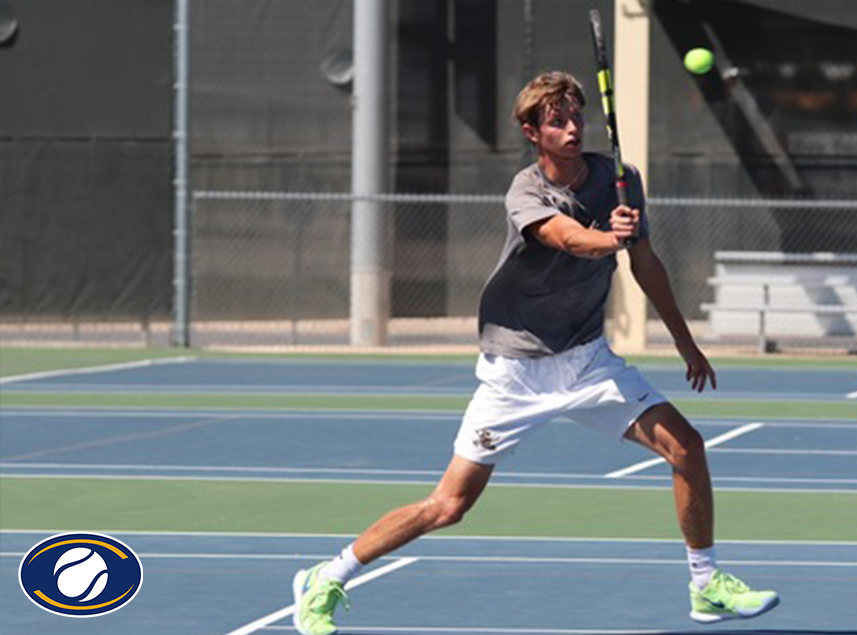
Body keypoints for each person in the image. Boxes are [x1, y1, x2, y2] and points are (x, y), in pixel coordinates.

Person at [291, 71, 779, 635]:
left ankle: (706, 585)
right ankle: (327, 575)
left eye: (576, 117)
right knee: (449, 506)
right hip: (515, 373)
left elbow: (644, 262)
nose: (572, 128)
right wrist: (610, 239)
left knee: (687, 447)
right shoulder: (525, 191)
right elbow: (567, 238)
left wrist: (684, 340)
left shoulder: (620, 178)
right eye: (557, 121)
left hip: (588, 360)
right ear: (532, 132)